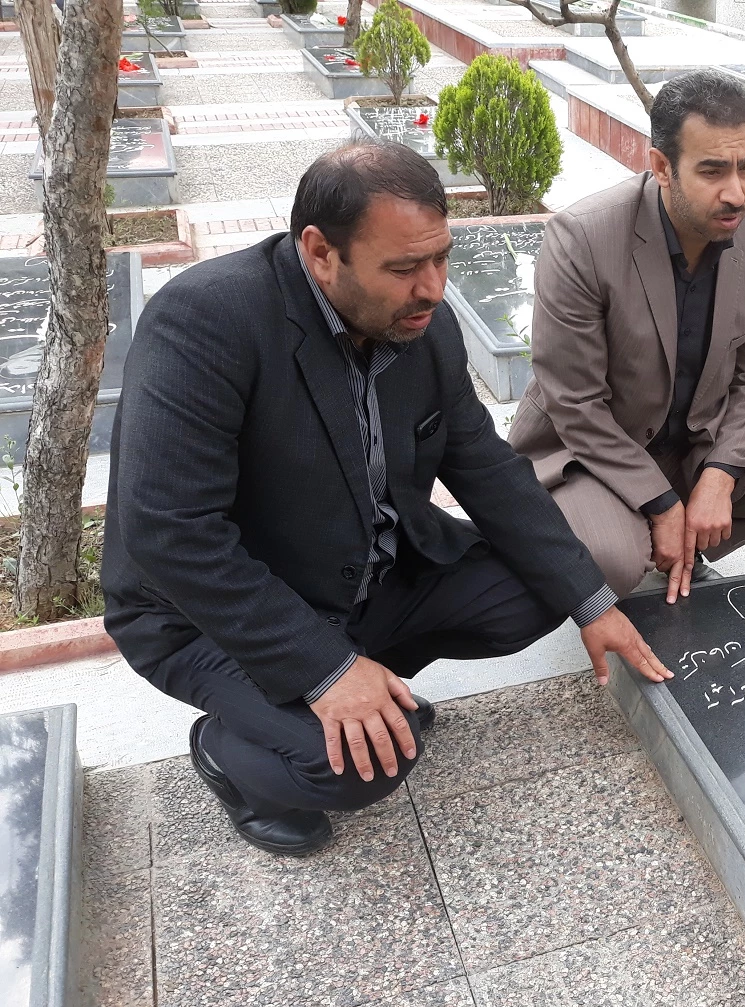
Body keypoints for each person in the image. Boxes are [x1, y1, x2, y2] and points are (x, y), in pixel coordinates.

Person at [103, 142, 671, 857]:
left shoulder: (423, 323)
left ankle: (365, 677)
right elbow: (171, 531)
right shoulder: (206, 321)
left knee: (538, 591)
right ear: (321, 253)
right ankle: (228, 751)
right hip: (205, 613)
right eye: (404, 268)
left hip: (361, 571)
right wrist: (326, 669)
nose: (432, 288)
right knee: (359, 766)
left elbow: (484, 465)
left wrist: (592, 603)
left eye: (441, 258)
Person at [509, 71, 745, 603]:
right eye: (712, 170)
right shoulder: (583, 237)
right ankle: (635, 536)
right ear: (662, 166)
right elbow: (574, 403)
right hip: (591, 449)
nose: (737, 193)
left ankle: (681, 550)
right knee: (612, 562)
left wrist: (722, 474)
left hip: (695, 439)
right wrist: (662, 504)